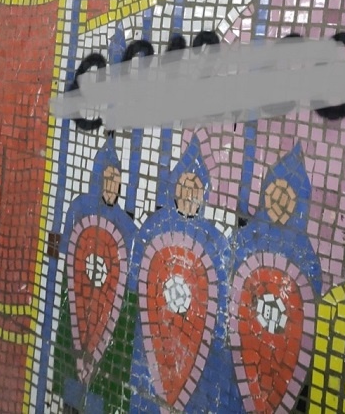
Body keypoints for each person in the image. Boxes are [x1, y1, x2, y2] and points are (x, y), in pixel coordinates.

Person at [128, 137, 234, 413]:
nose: (189, 193)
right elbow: (134, 282)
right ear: (174, 188)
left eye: (195, 187)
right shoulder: (153, 228)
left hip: (195, 348)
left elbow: (221, 306)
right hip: (152, 337)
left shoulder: (216, 242)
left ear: (204, 194)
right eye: (184, 185)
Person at [228, 144, 322, 413]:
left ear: (298, 203)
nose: (279, 202)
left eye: (287, 196)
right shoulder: (243, 240)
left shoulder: (307, 259)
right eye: (275, 192)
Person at [54, 139, 137, 413]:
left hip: (109, 317)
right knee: (70, 376)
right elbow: (63, 250)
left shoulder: (127, 227)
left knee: (100, 390)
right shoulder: (78, 208)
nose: (112, 185)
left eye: (117, 179)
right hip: (76, 305)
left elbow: (130, 283)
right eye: (108, 178)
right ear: (97, 177)